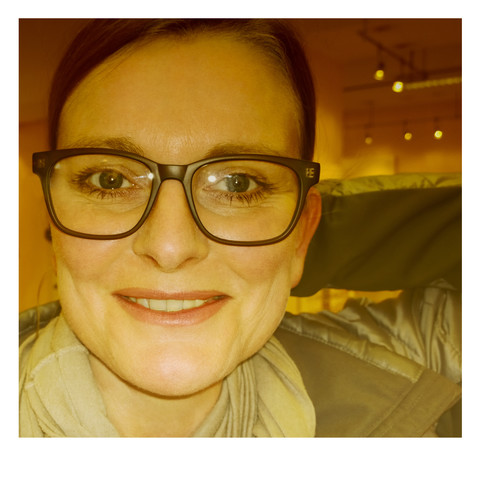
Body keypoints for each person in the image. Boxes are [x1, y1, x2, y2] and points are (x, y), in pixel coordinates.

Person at [19, 19, 461, 437]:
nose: (170, 246)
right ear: (54, 220)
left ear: (304, 230)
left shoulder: (401, 390)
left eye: (238, 184)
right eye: (110, 181)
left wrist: (273, 250)